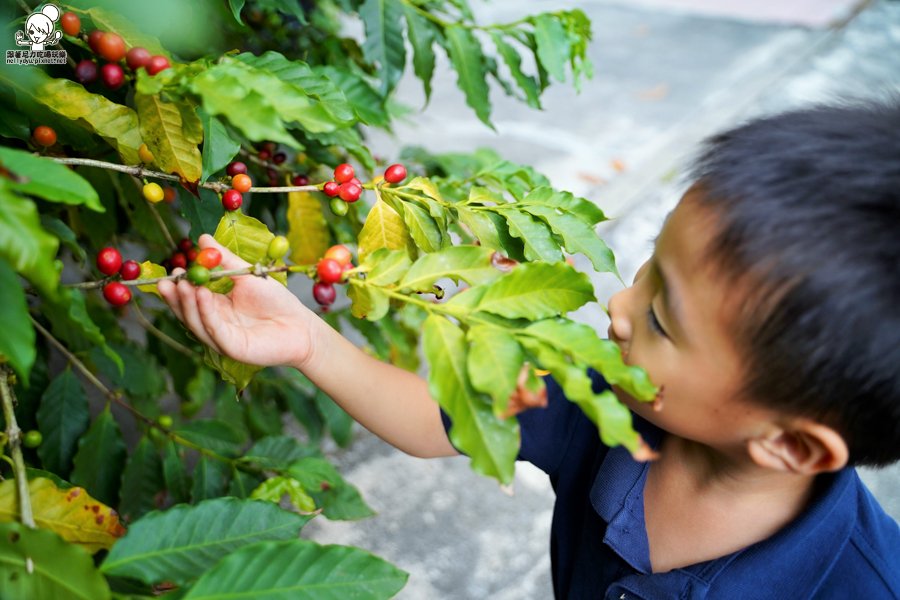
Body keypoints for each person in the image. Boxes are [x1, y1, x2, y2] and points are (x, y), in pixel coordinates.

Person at [159, 102, 900, 599]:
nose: (617, 305)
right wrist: (308, 340)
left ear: (792, 446)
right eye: (647, 272)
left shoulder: (864, 585)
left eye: (663, 321)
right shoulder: (599, 393)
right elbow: (435, 418)